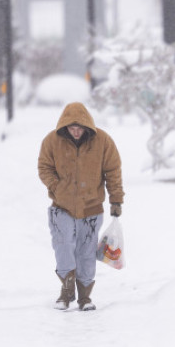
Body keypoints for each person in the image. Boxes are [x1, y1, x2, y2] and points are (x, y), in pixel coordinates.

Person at [37, 102, 124, 311]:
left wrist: (116, 200)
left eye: (79, 128)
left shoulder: (103, 141)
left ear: (87, 126)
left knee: (86, 252)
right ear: (64, 126)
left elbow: (113, 171)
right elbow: (44, 167)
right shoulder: (52, 141)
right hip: (61, 206)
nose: (75, 132)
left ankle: (85, 296)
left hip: (91, 207)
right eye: (71, 128)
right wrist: (56, 187)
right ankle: (66, 291)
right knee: (63, 245)